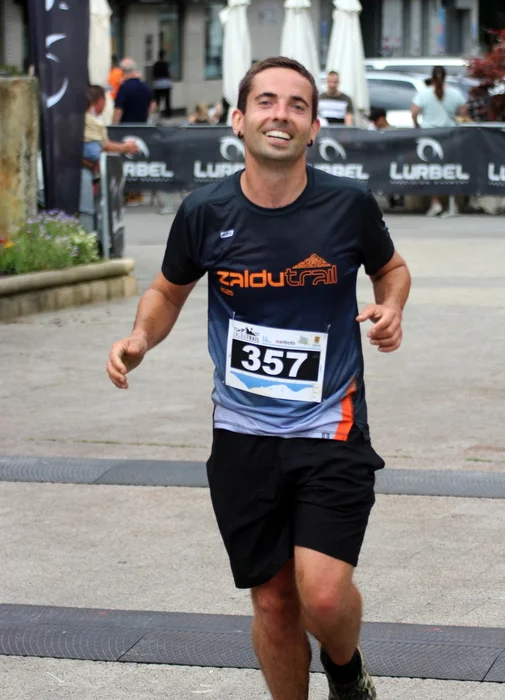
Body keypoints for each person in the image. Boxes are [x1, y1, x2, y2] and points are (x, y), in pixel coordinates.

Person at [106, 56, 411, 700]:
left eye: (297, 105)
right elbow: (166, 291)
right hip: (242, 434)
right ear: (239, 120)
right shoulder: (205, 210)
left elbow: (391, 268)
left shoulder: (347, 205)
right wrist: (140, 338)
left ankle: (345, 669)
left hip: (330, 426)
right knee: (273, 601)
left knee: (321, 597)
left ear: (314, 126)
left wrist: (391, 307)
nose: (281, 114)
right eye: (267, 101)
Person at [411, 65, 468, 216]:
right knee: (450, 169)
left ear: (431, 77)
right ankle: (453, 203)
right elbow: (463, 112)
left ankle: (435, 202)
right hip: (450, 134)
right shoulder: (455, 93)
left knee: (432, 170)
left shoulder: (424, 94)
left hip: (430, 135)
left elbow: (414, 113)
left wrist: (417, 125)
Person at [83, 85, 138, 172]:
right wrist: (126, 147)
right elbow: (105, 146)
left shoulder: (89, 118)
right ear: (101, 100)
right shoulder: (91, 120)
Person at [113, 58, 155, 124]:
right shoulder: (146, 87)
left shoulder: (124, 88)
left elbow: (118, 110)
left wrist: (114, 125)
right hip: (142, 126)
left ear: (123, 72)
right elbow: (152, 106)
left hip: (126, 126)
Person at [152, 50, 172, 118]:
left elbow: (153, 74)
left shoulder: (156, 64)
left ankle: (156, 113)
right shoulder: (166, 64)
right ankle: (168, 114)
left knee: (157, 100)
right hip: (166, 83)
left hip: (157, 84)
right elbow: (169, 73)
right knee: (167, 100)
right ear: (164, 56)